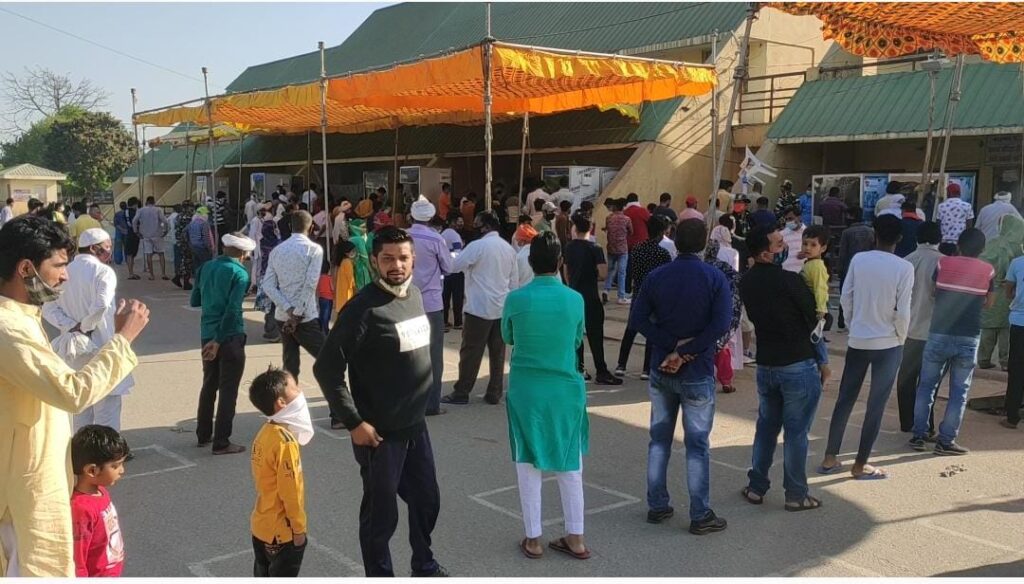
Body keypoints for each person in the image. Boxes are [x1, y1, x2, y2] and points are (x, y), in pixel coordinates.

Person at [0, 216, 149, 577]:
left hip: (37, 474)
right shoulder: (8, 328)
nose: (65, 276)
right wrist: (122, 340)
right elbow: (72, 392)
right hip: (24, 489)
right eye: (58, 266)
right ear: (26, 269)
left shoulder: (23, 316)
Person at [313, 227, 449, 578]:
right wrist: (354, 422)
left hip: (415, 427)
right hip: (379, 435)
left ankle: (424, 564)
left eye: (403, 258)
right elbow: (326, 369)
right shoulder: (361, 309)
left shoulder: (414, 295)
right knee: (380, 516)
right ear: (374, 260)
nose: (396, 265)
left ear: (414, 259)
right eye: (388, 258)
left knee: (427, 500)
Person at [629, 219, 730, 533]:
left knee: (659, 440)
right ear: (703, 243)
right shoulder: (714, 277)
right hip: (697, 370)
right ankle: (700, 513)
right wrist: (687, 350)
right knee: (697, 445)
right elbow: (721, 324)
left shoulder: (657, 276)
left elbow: (638, 318)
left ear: (675, 240)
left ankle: (657, 504)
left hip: (662, 366)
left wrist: (670, 345)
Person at [501, 233, 591, 560]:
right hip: (565, 388)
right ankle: (576, 536)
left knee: (527, 462)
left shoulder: (516, 299)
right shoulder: (575, 299)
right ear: (560, 262)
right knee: (569, 464)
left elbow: (508, 336)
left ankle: (533, 538)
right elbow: (577, 340)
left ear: (530, 262)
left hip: (526, 389)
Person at [818, 215, 913, 479]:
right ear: (900, 238)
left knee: (845, 399)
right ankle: (860, 464)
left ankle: (830, 458)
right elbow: (903, 310)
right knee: (876, 405)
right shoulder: (904, 267)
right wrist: (900, 337)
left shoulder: (859, 260)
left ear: (874, 235)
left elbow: (846, 297)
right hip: (888, 342)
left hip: (859, 339)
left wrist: (853, 324)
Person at [739, 225, 822, 511]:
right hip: (797, 362)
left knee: (766, 428)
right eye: (778, 244)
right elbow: (814, 317)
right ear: (765, 254)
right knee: (796, 433)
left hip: (767, 363)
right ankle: (796, 494)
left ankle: (756, 486)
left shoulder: (747, 282)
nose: (784, 246)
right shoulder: (790, 280)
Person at [911, 228, 994, 456]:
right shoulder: (988, 270)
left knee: (926, 385)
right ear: (982, 249)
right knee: (959, 392)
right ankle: (946, 441)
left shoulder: (943, 264)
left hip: (939, 333)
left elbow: (934, 292)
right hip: (969, 336)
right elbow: (988, 303)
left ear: (958, 245)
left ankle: (918, 435)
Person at [42, 228, 134, 431]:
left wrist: (70, 327)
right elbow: (101, 305)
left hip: (73, 348)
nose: (109, 251)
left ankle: (81, 447)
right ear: (93, 248)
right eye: (107, 246)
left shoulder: (64, 270)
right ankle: (105, 449)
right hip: (101, 345)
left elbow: (48, 308)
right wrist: (85, 328)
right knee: (107, 408)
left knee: (80, 405)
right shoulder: (103, 271)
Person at [262, 211, 341, 426]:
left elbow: (268, 285)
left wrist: (287, 308)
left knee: (290, 367)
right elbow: (310, 284)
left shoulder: (278, 250)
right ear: (311, 227)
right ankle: (338, 414)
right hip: (305, 318)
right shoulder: (313, 249)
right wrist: (297, 313)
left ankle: (287, 415)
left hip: (283, 316)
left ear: (290, 226)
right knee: (328, 363)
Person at [442, 212, 519, 405]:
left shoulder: (477, 246)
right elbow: (514, 283)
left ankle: (462, 391)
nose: (473, 227)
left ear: (485, 227)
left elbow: (453, 266)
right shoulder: (508, 249)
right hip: (501, 308)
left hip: (478, 308)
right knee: (498, 353)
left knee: (471, 352)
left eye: (477, 224)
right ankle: (494, 392)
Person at [190, 232, 255, 455]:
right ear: (243, 253)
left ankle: (203, 433)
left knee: (209, 383)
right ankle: (222, 441)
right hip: (230, 335)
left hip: (207, 332)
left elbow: (195, 300)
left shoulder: (206, 267)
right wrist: (219, 339)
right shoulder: (240, 273)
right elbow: (233, 309)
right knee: (229, 390)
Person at [248, 369, 313, 577]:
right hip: (282, 532)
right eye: (295, 388)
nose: (300, 391)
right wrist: (299, 529)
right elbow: (291, 491)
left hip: (261, 524)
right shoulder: (285, 442)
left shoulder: (264, 432)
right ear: (281, 403)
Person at [563, 214, 624, 386]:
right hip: (590, 295)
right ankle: (601, 370)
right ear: (590, 228)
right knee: (595, 335)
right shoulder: (595, 248)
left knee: (577, 334)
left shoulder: (568, 248)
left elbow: (566, 273)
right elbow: (603, 273)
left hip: (574, 295)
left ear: (575, 228)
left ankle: (580, 368)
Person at [408, 195, 454, 417]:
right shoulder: (436, 239)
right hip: (432, 302)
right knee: (434, 355)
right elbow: (449, 267)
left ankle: (409, 401)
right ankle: (432, 403)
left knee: (408, 352)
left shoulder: (403, 236)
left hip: (406, 300)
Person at [896, 222, 943, 433]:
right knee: (929, 382)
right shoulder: (945, 262)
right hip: (935, 329)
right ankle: (925, 424)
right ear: (940, 239)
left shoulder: (906, 261)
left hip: (909, 329)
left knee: (906, 378)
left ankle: (907, 422)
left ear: (916, 238)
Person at [616, 216, 673, 379]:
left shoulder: (637, 249)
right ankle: (646, 369)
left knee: (631, 328)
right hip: (656, 295)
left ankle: (621, 364)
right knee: (652, 331)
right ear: (662, 233)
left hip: (639, 292)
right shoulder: (663, 253)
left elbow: (631, 271)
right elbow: (666, 277)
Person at [70, 425, 129, 577]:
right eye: (115, 466)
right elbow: (78, 559)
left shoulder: (100, 491)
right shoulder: (81, 509)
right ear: (92, 470)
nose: (122, 470)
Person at [978, 215, 1024, 371]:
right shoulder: (1016, 248)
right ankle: (1005, 361)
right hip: (1007, 292)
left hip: (990, 290)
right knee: (1005, 329)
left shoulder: (992, 243)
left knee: (988, 327)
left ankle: (983, 359)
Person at [704, 236, 742, 395]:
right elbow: (737, 281)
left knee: (702, 348)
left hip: (700, 312)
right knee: (721, 347)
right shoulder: (724, 267)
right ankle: (726, 381)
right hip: (720, 311)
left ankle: (706, 378)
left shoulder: (698, 267)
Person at [799, 225, 833, 384]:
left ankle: (824, 367)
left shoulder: (817, 266)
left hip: (813, 308)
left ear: (823, 248)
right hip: (809, 307)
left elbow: (821, 288)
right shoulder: (811, 263)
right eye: (805, 244)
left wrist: (821, 310)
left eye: (813, 245)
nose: (807, 248)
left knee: (815, 339)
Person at [837, 206, 874, 330]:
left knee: (845, 295)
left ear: (851, 216)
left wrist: (840, 270)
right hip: (867, 268)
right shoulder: (871, 231)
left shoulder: (847, 232)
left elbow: (842, 253)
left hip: (848, 268)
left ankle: (842, 321)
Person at [602, 197, 632, 304]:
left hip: (611, 248)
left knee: (610, 270)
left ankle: (606, 290)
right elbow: (631, 232)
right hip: (622, 249)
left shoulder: (609, 218)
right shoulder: (627, 219)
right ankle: (621, 296)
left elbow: (607, 228)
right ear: (623, 207)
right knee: (622, 272)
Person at [132, 196, 170, 281]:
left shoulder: (141, 210)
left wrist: (136, 232)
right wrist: (165, 231)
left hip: (146, 235)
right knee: (161, 254)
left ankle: (151, 275)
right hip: (157, 234)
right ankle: (163, 273)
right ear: (154, 202)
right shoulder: (158, 210)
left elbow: (134, 221)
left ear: (146, 202)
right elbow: (165, 221)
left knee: (148, 254)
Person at [440, 213, 465, 331]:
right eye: (458, 221)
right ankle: (458, 322)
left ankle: (444, 321)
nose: (460, 224)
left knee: (445, 297)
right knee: (457, 297)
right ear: (452, 222)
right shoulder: (455, 236)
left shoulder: (442, 234)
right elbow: (458, 253)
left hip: (444, 270)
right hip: (456, 270)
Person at [936, 183, 974, 255]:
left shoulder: (941, 206)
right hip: (960, 243)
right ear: (959, 193)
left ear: (948, 193)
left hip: (944, 242)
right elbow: (969, 226)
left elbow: (938, 224)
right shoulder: (967, 206)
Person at [174, 201, 196, 290]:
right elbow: (189, 230)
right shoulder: (187, 217)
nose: (192, 209)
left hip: (180, 241)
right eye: (191, 207)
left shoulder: (179, 216)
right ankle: (186, 282)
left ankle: (178, 277)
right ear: (187, 207)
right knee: (188, 261)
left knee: (184, 260)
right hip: (186, 241)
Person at [188, 206, 216, 271]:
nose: (208, 215)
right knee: (206, 266)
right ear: (204, 214)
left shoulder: (192, 223)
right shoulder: (204, 223)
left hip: (193, 247)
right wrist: (210, 248)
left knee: (197, 266)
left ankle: (197, 276)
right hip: (202, 248)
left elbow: (187, 233)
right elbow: (206, 238)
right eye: (207, 214)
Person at [780, 206, 805, 273]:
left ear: (799, 217)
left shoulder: (808, 233)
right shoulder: (781, 235)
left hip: (803, 272)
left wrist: (806, 254)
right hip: (785, 272)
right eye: (786, 219)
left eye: (791, 218)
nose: (788, 222)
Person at [513, 222, 539, 287]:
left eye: (517, 241)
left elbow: (513, 281)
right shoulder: (542, 253)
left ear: (522, 241)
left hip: (523, 290)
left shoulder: (518, 257)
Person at [122, 197, 142, 280]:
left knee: (129, 254)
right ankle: (131, 273)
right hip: (135, 234)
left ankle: (131, 272)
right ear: (135, 204)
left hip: (128, 234)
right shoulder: (136, 212)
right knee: (132, 254)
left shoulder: (125, 212)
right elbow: (138, 223)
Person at [316, 256, 334, 334]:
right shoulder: (329, 278)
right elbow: (332, 288)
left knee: (322, 314)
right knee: (327, 315)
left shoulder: (319, 278)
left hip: (321, 298)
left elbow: (317, 289)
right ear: (328, 269)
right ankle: (325, 330)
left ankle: (321, 329)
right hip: (329, 299)